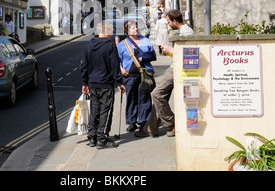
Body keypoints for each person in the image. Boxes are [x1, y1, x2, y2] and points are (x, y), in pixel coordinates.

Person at [135, 9, 194, 138]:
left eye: (168, 22)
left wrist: (171, 51)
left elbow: (189, 53)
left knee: (157, 94)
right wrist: (170, 52)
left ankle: (171, 122)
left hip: (177, 69)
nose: (168, 25)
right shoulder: (182, 32)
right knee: (161, 97)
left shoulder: (187, 33)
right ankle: (150, 128)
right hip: (175, 66)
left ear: (174, 20)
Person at [81, 22, 126, 149]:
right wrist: (120, 82)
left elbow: (84, 65)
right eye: (111, 30)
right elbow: (115, 66)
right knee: (105, 110)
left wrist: (84, 82)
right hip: (106, 83)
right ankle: (102, 138)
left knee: (94, 110)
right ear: (105, 31)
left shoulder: (89, 45)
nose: (112, 33)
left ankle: (92, 137)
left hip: (93, 83)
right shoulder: (110, 46)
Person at [117, 20, 157, 132]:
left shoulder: (145, 40)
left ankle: (144, 120)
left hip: (144, 74)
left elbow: (153, 55)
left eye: (136, 27)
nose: (136, 29)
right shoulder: (122, 45)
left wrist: (143, 57)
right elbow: (117, 60)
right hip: (129, 76)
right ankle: (131, 122)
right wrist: (121, 69)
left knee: (144, 98)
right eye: (133, 28)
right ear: (127, 31)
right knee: (131, 98)